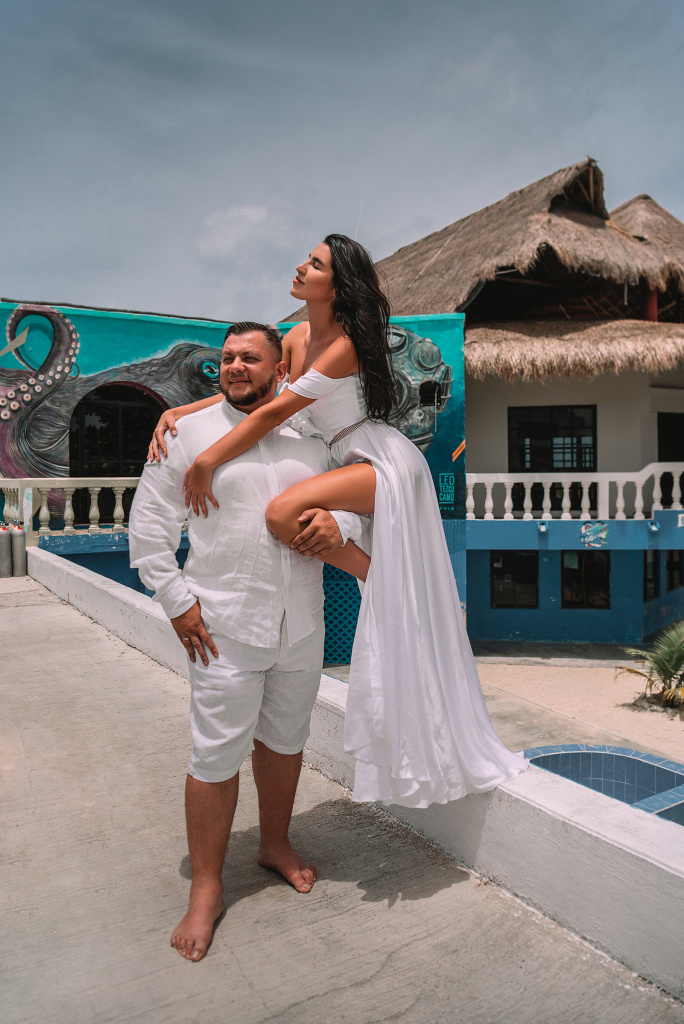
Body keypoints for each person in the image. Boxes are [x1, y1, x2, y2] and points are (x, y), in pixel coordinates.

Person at [148, 234, 528, 810]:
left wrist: (207, 460)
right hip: (342, 459)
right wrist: (179, 411)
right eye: (307, 259)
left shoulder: (347, 343)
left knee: (282, 512)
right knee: (289, 515)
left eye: (316, 263)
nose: (301, 267)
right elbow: (256, 395)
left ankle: (380, 576)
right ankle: (384, 576)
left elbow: (278, 411)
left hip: (376, 458)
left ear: (337, 283)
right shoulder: (296, 337)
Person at [129, 321, 365, 962]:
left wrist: (339, 523)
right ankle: (206, 886)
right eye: (227, 357)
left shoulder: (313, 435)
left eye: (249, 357)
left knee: (286, 739)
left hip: (302, 623)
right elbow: (149, 530)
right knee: (215, 754)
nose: (234, 366)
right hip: (223, 627)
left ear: (279, 369)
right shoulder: (186, 435)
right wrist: (179, 605)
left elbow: (357, 500)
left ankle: (274, 843)